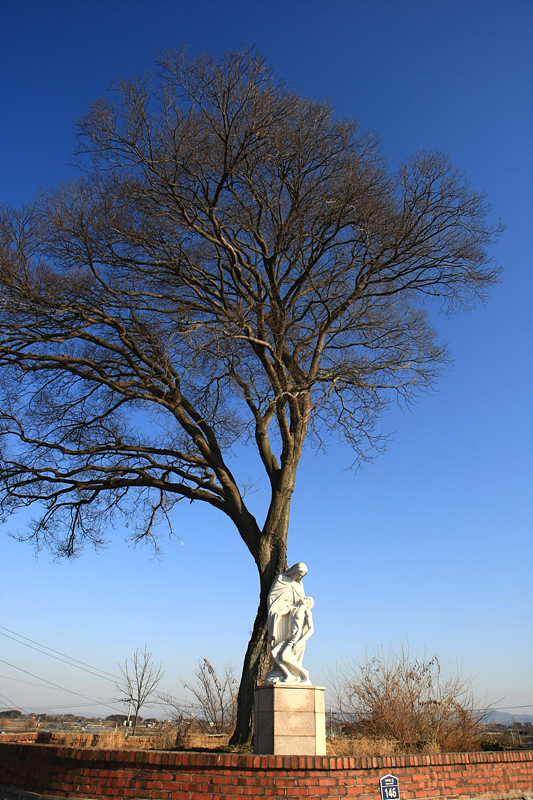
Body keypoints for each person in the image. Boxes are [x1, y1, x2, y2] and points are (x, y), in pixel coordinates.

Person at [265, 563, 315, 684]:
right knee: (275, 654)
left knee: (284, 656)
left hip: (295, 636)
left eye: (302, 575)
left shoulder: (300, 588)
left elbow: (310, 628)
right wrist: (273, 626)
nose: (300, 576)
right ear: (294, 571)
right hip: (283, 624)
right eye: (299, 573)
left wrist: (300, 641)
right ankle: (287, 674)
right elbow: (273, 598)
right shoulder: (281, 580)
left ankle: (298, 673)